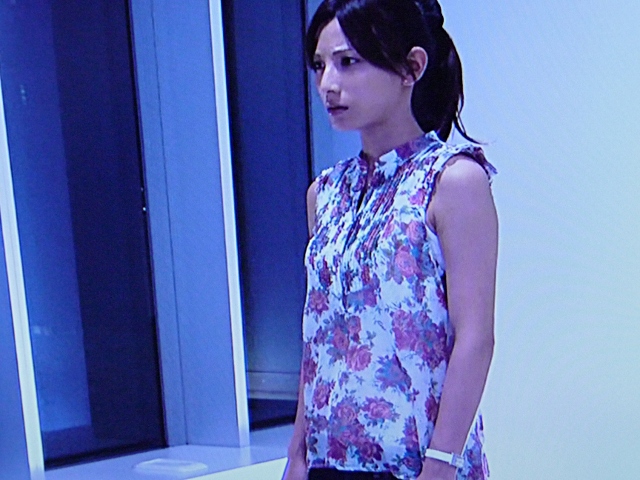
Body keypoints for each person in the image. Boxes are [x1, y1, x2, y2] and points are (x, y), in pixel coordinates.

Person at [283, 0, 498, 479]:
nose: (328, 84)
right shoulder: (325, 193)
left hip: (417, 464)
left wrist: (441, 463)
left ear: (411, 67)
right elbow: (319, 335)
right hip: (328, 462)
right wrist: (296, 453)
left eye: (348, 62)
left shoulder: (452, 181)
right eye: (319, 65)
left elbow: (475, 336)